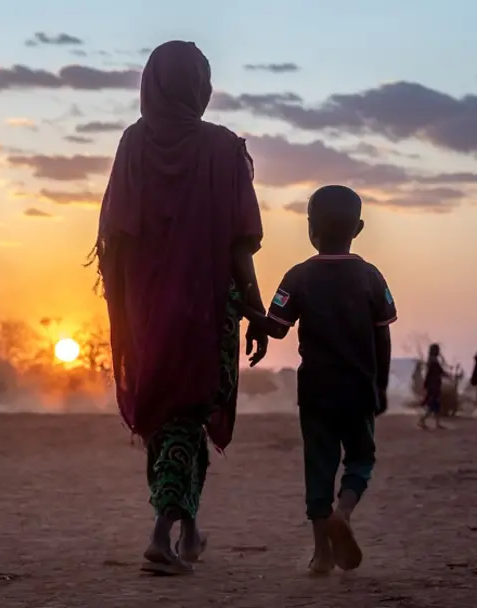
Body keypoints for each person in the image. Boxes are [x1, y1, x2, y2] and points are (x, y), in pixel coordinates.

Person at [92, 40, 267, 575]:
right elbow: (240, 242)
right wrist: (256, 308)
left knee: (174, 415)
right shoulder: (223, 148)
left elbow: (114, 236)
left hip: (148, 309)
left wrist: (123, 309)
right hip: (207, 307)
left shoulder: (133, 143)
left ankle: (188, 529)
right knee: (189, 413)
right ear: (199, 87)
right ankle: (161, 533)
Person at [239, 184, 396, 575]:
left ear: (311, 228)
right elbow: (383, 336)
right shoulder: (371, 277)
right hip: (359, 389)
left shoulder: (298, 277)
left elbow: (276, 328)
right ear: (358, 229)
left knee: (319, 466)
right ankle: (344, 512)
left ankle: (321, 553)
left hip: (315, 392)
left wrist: (243, 309)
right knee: (361, 458)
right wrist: (380, 385)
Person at [418, 344, 448, 430]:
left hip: (432, 386)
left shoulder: (431, 361)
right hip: (434, 386)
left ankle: (436, 423)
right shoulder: (434, 362)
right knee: (434, 405)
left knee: (436, 405)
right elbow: (439, 372)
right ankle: (423, 420)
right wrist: (448, 375)